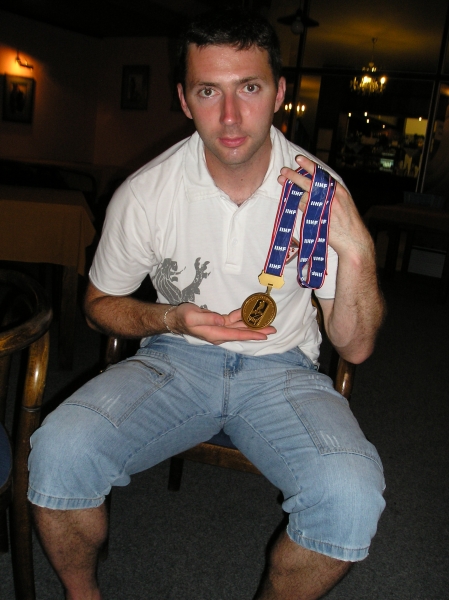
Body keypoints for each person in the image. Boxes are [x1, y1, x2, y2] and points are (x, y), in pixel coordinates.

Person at [28, 9, 386, 600]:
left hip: (283, 371)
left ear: (280, 93)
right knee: (59, 451)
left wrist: (358, 251)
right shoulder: (146, 193)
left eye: (249, 88)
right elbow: (97, 303)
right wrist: (170, 318)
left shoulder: (320, 195)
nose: (230, 116)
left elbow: (356, 345)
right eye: (208, 91)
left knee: (350, 497)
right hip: (174, 359)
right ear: (184, 99)